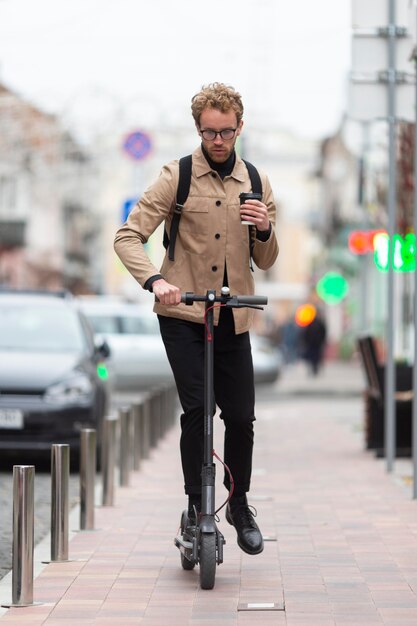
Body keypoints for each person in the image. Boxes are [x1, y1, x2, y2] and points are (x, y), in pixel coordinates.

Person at [114, 82, 279, 555]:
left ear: (240, 127)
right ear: (198, 129)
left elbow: (266, 260)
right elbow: (128, 236)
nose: (219, 141)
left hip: (234, 317)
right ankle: (194, 505)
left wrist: (265, 228)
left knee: (242, 417)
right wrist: (154, 282)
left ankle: (239, 503)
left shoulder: (257, 182)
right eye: (210, 132)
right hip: (183, 312)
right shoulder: (177, 176)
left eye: (227, 131)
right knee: (198, 412)